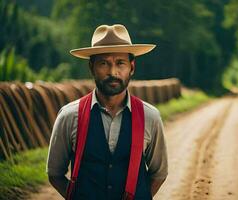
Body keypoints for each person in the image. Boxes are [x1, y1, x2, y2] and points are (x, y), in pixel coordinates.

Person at [46, 24, 168, 200]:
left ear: (131, 67)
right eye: (104, 63)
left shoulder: (150, 117)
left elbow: (159, 173)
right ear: (91, 67)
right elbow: (55, 173)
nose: (113, 72)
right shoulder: (69, 116)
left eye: (120, 63)